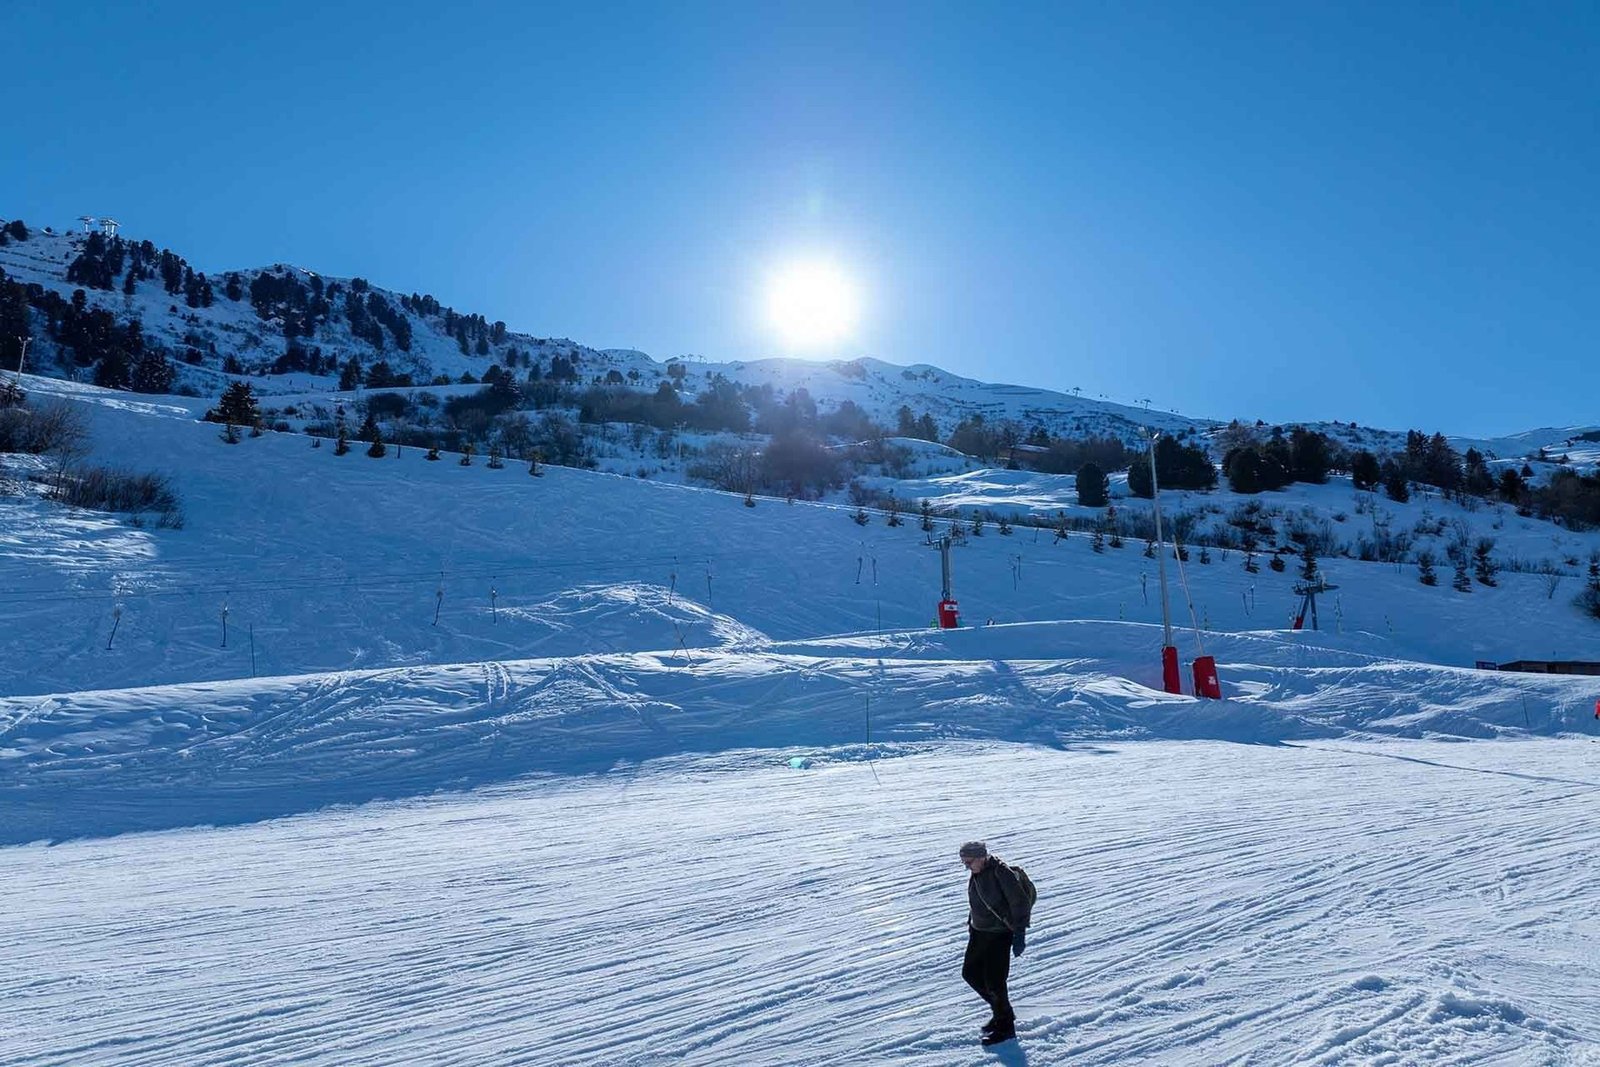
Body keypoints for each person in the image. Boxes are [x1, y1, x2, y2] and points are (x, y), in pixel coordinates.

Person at [959, 840, 1030, 1047]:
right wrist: (972, 922)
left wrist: (1019, 934)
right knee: (970, 973)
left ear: (981, 857)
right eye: (964, 862)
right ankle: (1003, 1013)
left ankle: (1006, 1027)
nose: (966, 866)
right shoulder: (978, 871)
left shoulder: (1001, 873)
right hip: (979, 932)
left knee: (995, 982)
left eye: (969, 861)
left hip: (999, 935)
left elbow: (1020, 902)